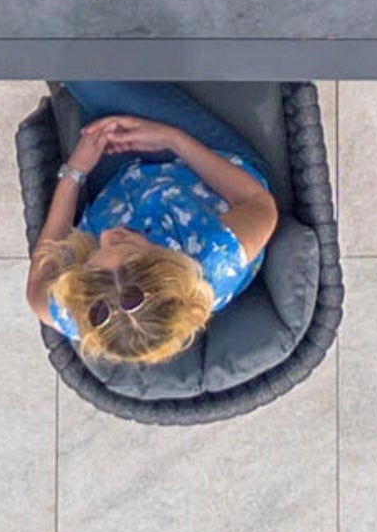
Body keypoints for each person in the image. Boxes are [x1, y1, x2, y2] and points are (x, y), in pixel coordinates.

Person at [24, 81, 279, 366]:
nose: (108, 234)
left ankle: (71, 90)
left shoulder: (76, 306)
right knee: (87, 76)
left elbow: (39, 279)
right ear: (167, 260)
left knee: (94, 120)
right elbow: (256, 200)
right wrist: (172, 139)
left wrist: (75, 172)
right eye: (126, 241)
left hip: (124, 181)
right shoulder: (217, 254)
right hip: (208, 167)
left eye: (95, 254)